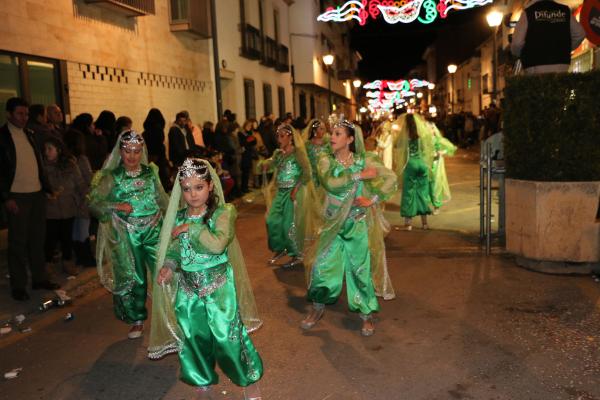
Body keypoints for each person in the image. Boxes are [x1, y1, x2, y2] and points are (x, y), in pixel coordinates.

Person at [149, 158, 263, 400]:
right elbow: (176, 249)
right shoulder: (179, 216)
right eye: (187, 188)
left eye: (198, 187)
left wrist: (192, 228)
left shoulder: (223, 213)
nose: (192, 194)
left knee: (227, 335)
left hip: (218, 286)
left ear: (210, 186)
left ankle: (248, 377)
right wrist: (169, 265)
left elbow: (218, 244)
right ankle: (202, 378)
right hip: (188, 288)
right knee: (194, 336)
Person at [301, 119, 397, 336]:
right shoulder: (326, 161)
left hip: (356, 223)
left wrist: (372, 199)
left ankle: (366, 314)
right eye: (332, 133)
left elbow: (390, 178)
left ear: (350, 139)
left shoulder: (365, 160)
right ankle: (317, 308)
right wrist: (359, 175)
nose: (332, 137)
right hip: (332, 224)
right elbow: (330, 183)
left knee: (360, 270)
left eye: (337, 133)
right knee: (322, 266)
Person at [88, 130, 168, 339]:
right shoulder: (111, 177)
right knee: (136, 277)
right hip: (128, 233)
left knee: (165, 271)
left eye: (136, 151)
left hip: (154, 229)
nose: (132, 156)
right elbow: (94, 203)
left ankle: (171, 317)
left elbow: (161, 198)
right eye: (127, 151)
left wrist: (177, 218)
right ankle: (137, 319)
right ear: (120, 151)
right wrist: (116, 205)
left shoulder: (150, 172)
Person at [0, 97, 59, 301]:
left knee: (37, 239)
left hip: (36, 194)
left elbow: (39, 164)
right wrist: (6, 198)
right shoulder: (2, 137)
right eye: (19, 114)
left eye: (26, 114)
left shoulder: (30, 134)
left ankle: (39, 278)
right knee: (17, 243)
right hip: (17, 196)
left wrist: (47, 189)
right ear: (9, 114)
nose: (24, 118)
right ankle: (18, 285)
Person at [261, 124, 317, 268]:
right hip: (280, 192)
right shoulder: (278, 153)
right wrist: (265, 164)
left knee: (288, 225)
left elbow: (307, 173)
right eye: (278, 136)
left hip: (293, 193)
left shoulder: (298, 153)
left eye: (282, 136)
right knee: (272, 221)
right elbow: (272, 165)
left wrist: (296, 189)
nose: (279, 139)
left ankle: (296, 254)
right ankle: (281, 249)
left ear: (290, 137)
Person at [42, 137, 86, 276]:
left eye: (50, 149)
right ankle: (47, 263)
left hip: (68, 207)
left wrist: (82, 198)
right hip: (50, 209)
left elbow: (80, 184)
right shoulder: (42, 166)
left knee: (67, 237)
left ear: (58, 150)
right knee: (50, 237)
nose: (47, 152)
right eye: (45, 149)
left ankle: (67, 261)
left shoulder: (70, 165)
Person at [511, 0, 586, 74]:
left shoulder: (528, 12)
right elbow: (580, 34)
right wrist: (564, 49)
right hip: (562, 63)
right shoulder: (564, 10)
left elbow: (517, 43)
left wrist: (520, 54)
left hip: (535, 64)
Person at [395, 113, 435, 230]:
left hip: (410, 164)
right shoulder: (420, 136)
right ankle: (425, 223)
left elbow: (396, 145)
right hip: (422, 164)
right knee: (422, 193)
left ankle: (408, 223)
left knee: (409, 193)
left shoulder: (404, 136)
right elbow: (425, 149)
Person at [63, 128, 95, 268]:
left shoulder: (65, 159)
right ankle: (86, 257)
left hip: (70, 199)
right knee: (83, 229)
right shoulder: (81, 159)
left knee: (75, 230)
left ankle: (80, 256)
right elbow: (88, 179)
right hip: (82, 198)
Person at [142, 108, 171, 190]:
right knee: (161, 181)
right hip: (159, 158)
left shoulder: (145, 132)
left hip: (149, 158)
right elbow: (159, 145)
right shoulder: (159, 130)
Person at [239, 120, 258, 193]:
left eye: (250, 126)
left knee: (247, 172)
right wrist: (249, 140)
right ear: (245, 125)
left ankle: (246, 187)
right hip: (244, 154)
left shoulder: (250, 133)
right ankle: (243, 188)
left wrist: (250, 140)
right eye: (248, 125)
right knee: (245, 172)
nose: (249, 127)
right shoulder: (241, 133)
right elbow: (244, 142)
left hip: (249, 153)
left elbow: (254, 141)